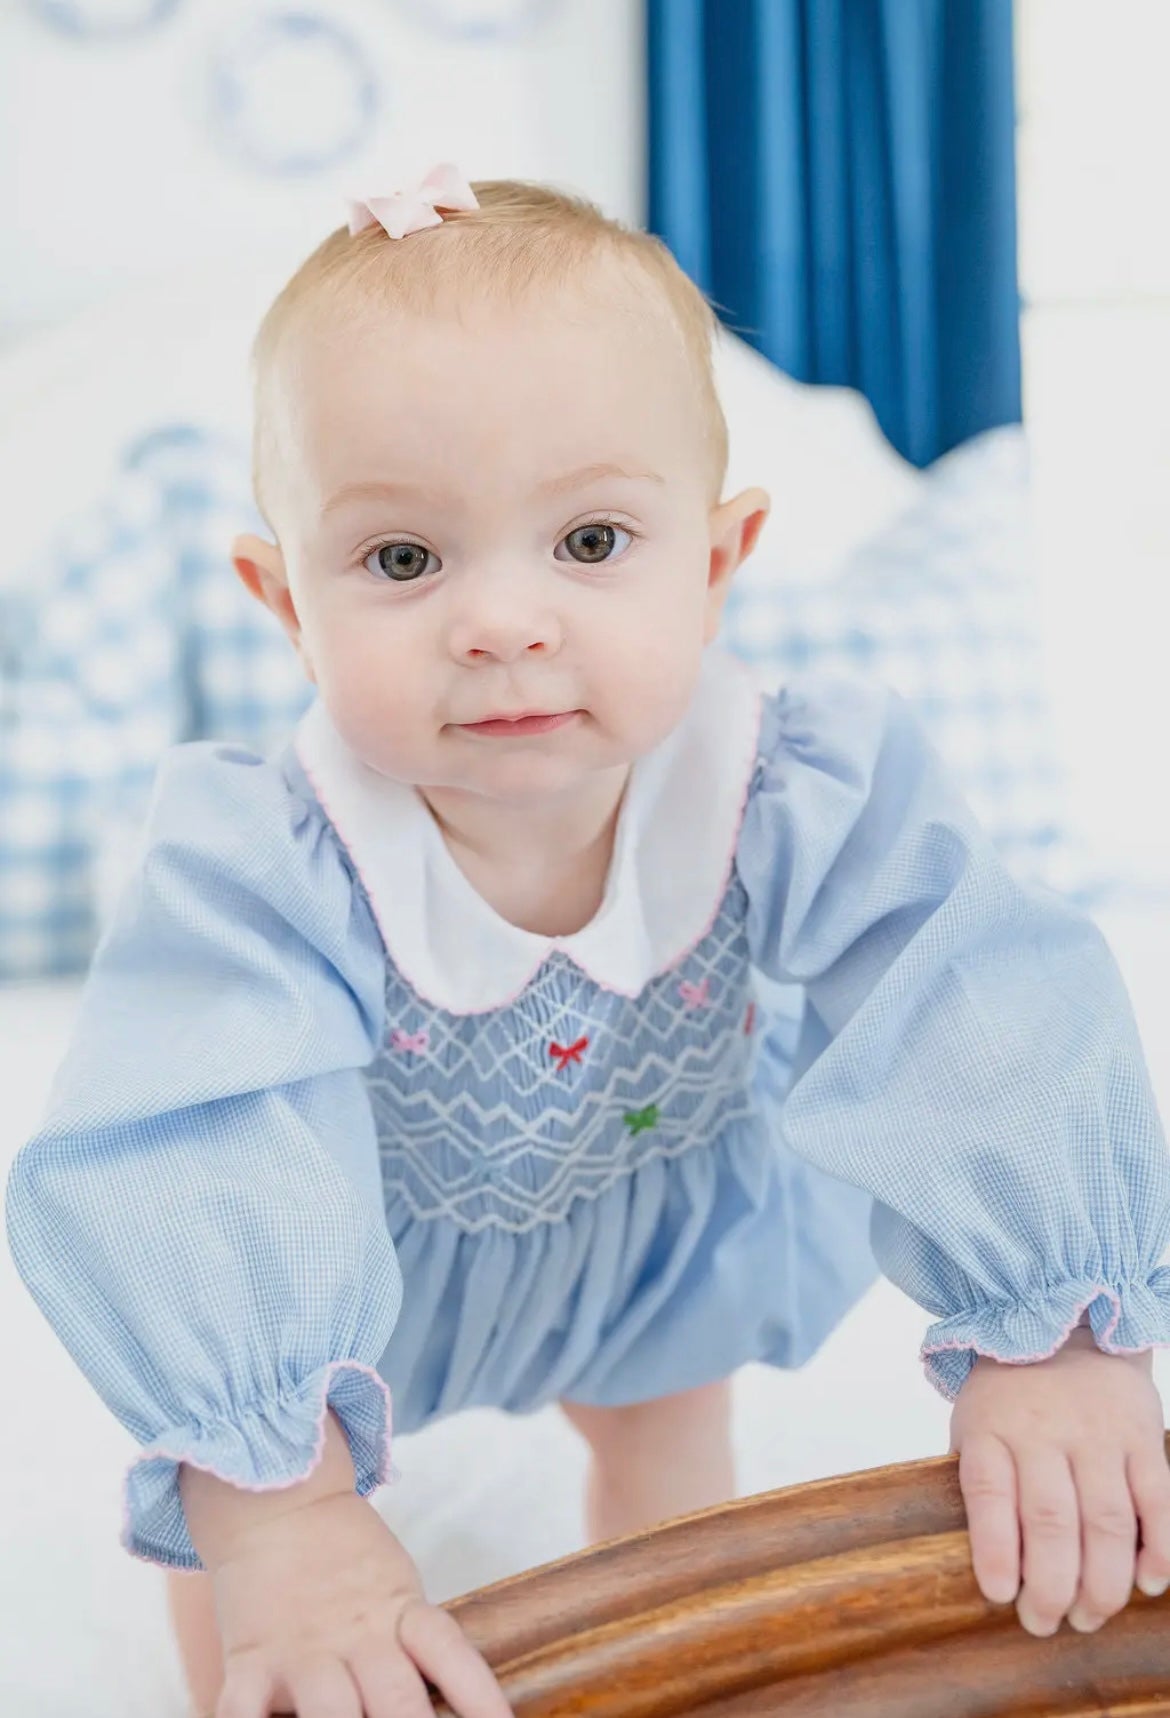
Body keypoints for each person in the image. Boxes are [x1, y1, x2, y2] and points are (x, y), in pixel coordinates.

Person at [8, 166, 1170, 1718]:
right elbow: (191, 1143)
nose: (502, 621)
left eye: (592, 539)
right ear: (284, 604)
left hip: (649, 1229)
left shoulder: (792, 780)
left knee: (675, 1476)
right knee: (243, 1528)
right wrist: (278, 1502)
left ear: (715, 561)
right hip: (352, 1260)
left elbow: (963, 988)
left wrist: (1058, 1322)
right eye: (404, 561)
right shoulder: (267, 861)